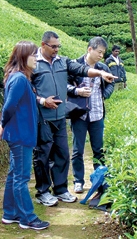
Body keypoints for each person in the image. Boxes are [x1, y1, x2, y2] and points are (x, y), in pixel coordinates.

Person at [32, 31, 116, 206]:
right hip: (43, 117)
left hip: (60, 116)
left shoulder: (63, 61)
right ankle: (43, 192)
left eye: (58, 46)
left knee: (62, 153)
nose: (56, 49)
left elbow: (82, 69)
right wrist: (41, 100)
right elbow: (26, 89)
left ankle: (61, 189)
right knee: (43, 156)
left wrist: (100, 74)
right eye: (53, 46)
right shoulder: (33, 63)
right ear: (43, 45)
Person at [0, 41, 49, 231]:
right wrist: (2, 124)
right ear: (24, 57)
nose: (37, 58)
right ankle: (27, 218)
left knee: (14, 174)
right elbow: (9, 106)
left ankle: (10, 213)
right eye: (34, 55)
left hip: (19, 134)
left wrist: (3, 125)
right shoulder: (20, 80)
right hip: (21, 135)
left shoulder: (19, 78)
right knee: (21, 178)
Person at [67, 37, 114, 194]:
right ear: (90, 49)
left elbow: (111, 83)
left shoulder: (102, 67)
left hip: (97, 114)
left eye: (103, 53)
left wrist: (104, 95)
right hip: (79, 114)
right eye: (99, 52)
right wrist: (77, 91)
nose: (101, 55)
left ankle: (99, 180)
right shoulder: (75, 65)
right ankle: (78, 180)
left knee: (98, 150)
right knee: (77, 150)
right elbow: (64, 84)